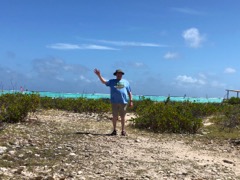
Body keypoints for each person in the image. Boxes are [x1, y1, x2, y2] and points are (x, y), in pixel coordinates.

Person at [94, 68, 133, 136]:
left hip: (123, 102)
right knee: (114, 116)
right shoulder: (112, 81)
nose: (119, 75)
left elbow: (129, 92)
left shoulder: (126, 82)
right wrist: (99, 75)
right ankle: (114, 130)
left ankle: (123, 130)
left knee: (123, 117)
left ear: (122, 74)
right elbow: (104, 82)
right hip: (114, 102)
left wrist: (131, 100)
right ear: (116, 74)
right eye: (118, 73)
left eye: (120, 73)